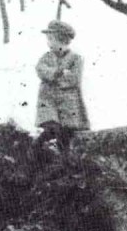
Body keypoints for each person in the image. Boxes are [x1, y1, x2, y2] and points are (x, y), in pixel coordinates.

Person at [33, 19, 88, 152]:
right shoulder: (46, 57)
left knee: (66, 134)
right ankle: (35, 149)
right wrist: (58, 73)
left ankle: (61, 156)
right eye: (48, 39)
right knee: (51, 128)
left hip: (69, 106)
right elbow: (40, 70)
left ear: (62, 40)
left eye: (51, 39)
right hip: (49, 102)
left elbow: (74, 79)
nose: (48, 43)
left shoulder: (76, 59)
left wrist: (54, 79)